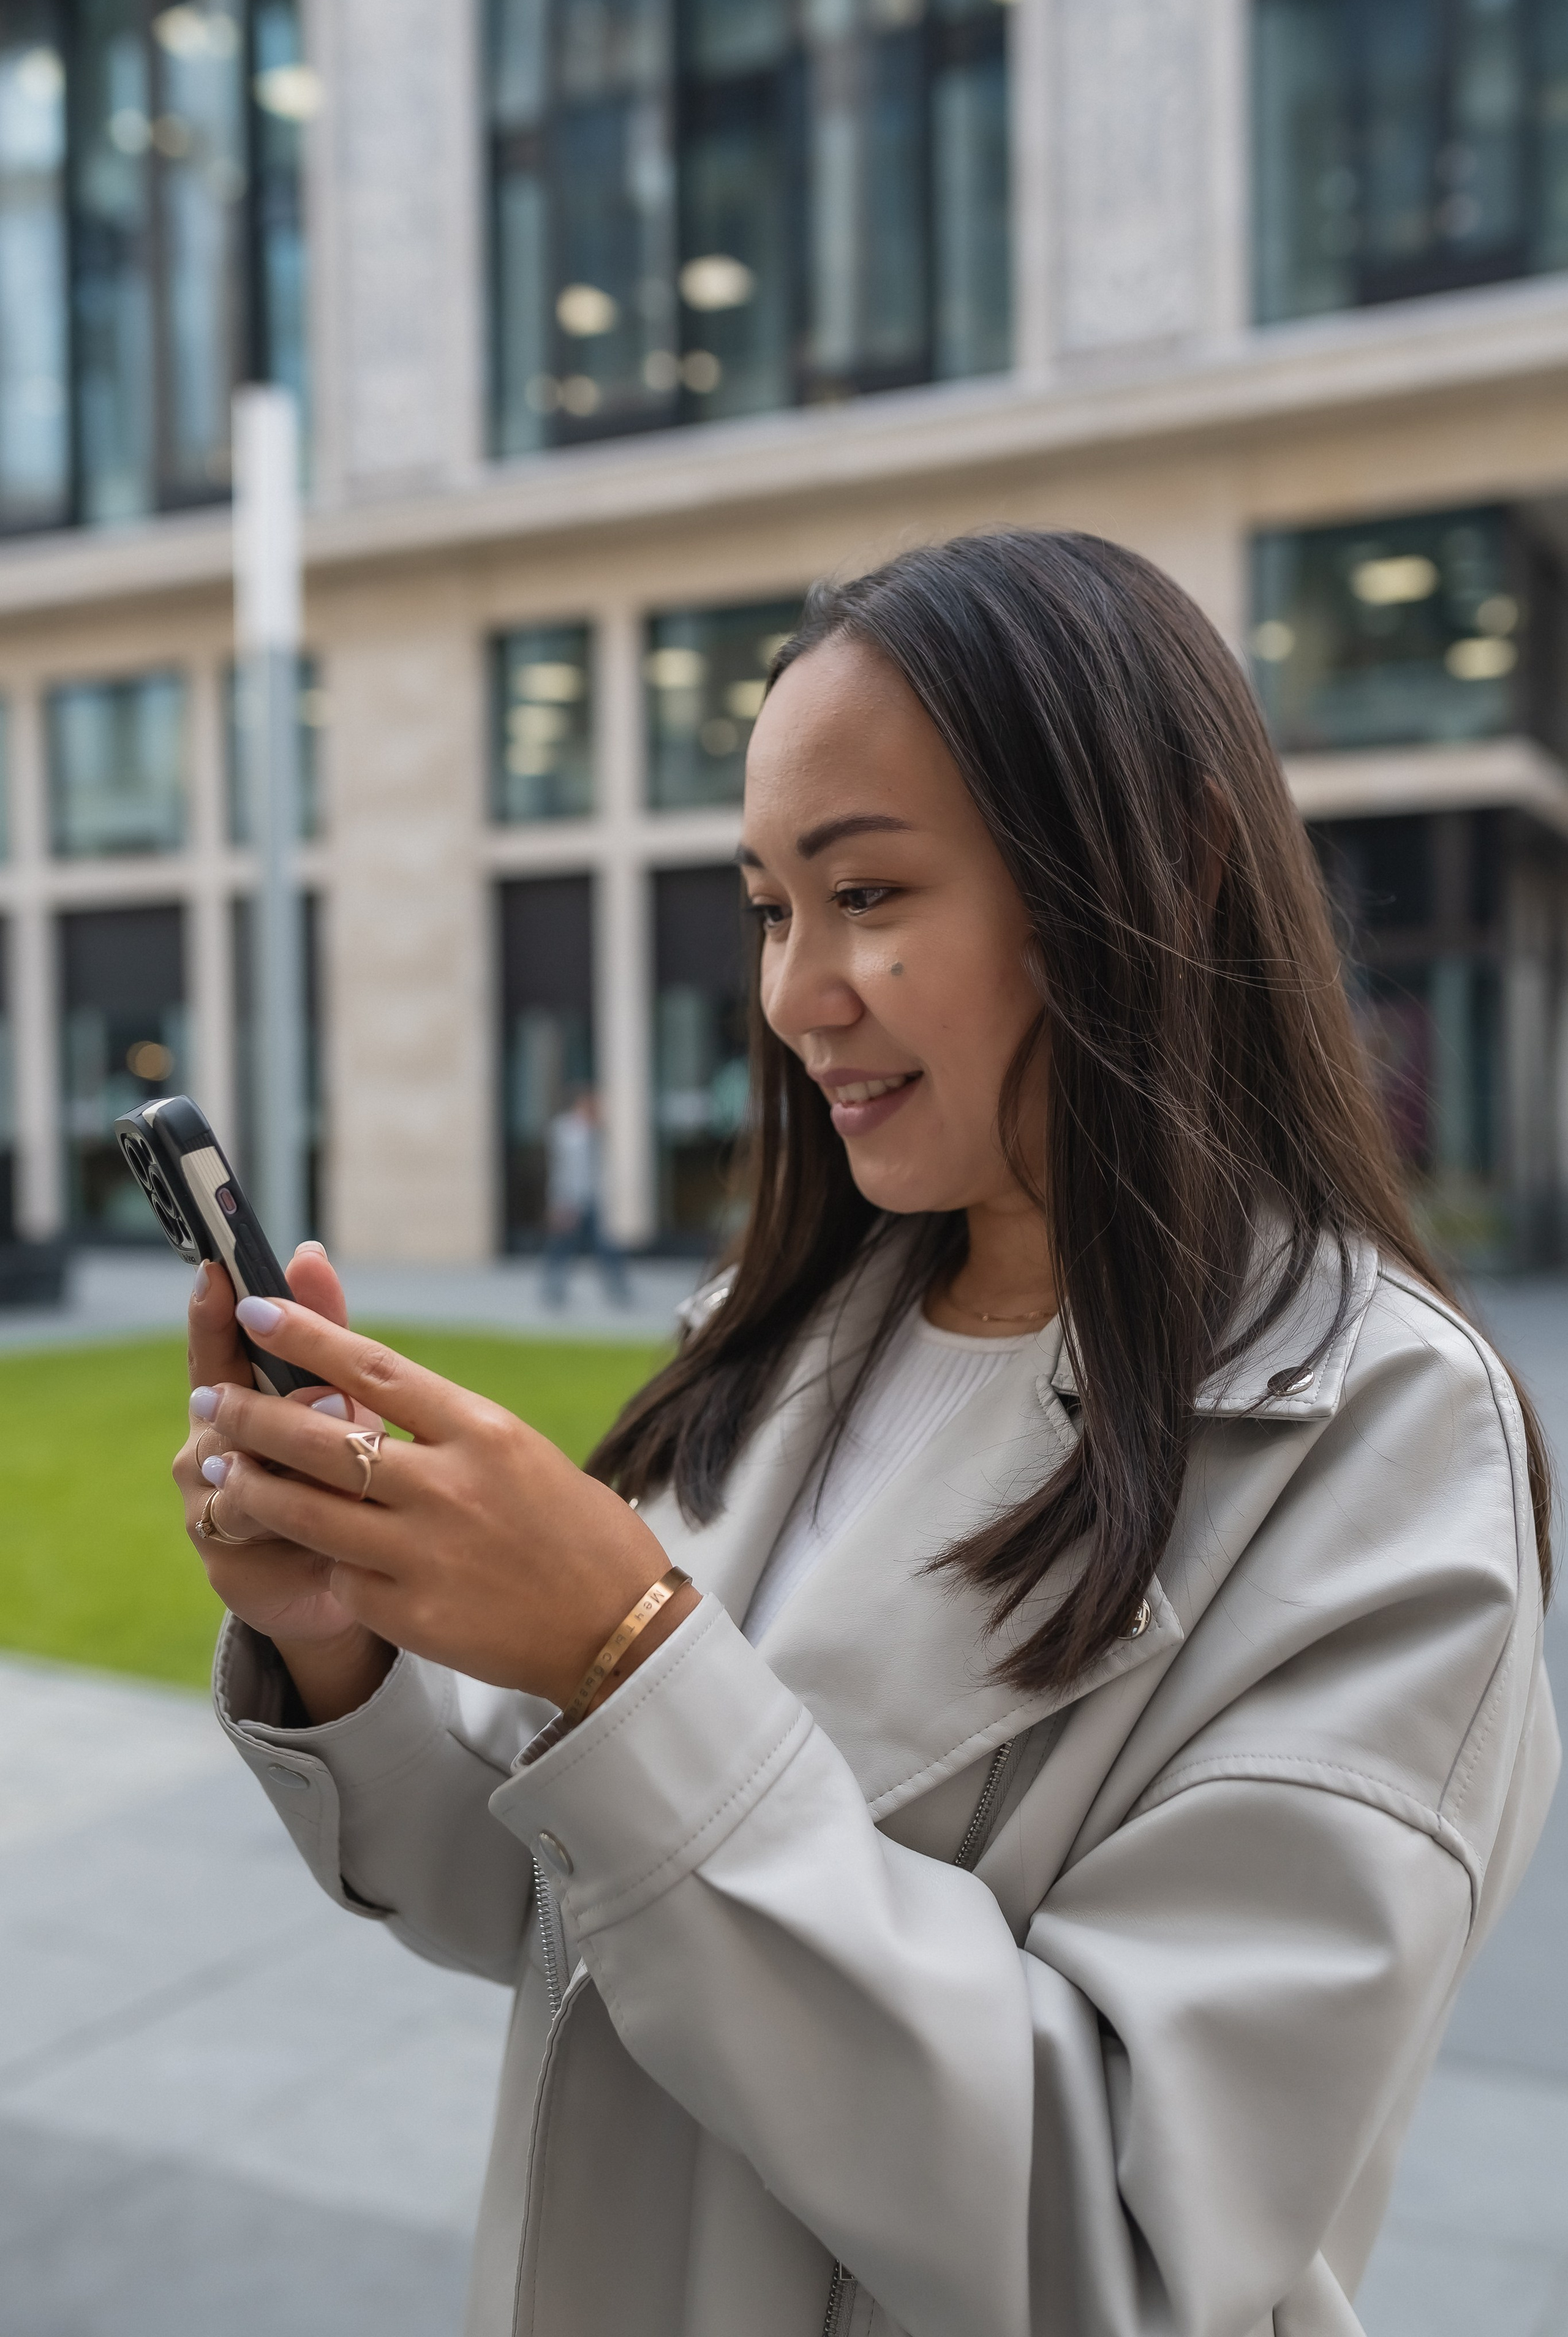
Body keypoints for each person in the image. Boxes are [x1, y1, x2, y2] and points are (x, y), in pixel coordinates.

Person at [175, 530, 1558, 2337]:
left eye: (870, 894)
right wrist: (338, 1639)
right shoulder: (781, 1336)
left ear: (1172, 869)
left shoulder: (1377, 1445)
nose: (793, 990)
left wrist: (627, 1661)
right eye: (767, 905)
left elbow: (1125, 2245)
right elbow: (545, 1897)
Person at [541, 1085, 628, 1307]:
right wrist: (560, 1203)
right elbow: (562, 1171)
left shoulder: (593, 1131)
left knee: (604, 1247)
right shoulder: (566, 1131)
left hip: (591, 1200)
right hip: (571, 1201)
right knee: (562, 1248)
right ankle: (553, 1291)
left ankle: (618, 1290)